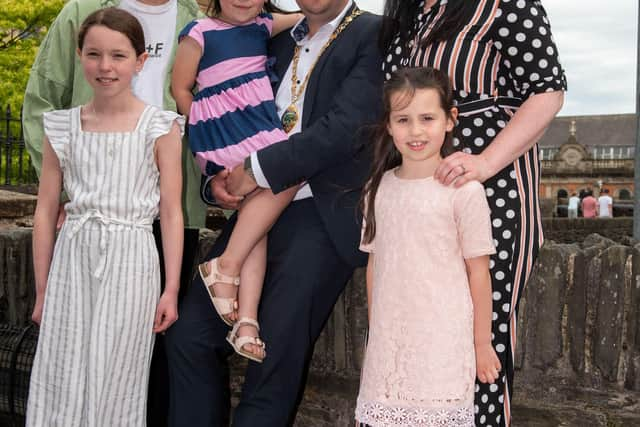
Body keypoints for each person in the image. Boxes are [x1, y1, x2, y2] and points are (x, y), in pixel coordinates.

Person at [164, 0, 383, 425]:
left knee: (274, 358)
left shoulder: (374, 33)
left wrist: (257, 170)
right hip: (253, 211)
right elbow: (217, 106)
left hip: (319, 214)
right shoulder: (271, 33)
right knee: (189, 337)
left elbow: (344, 128)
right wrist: (218, 181)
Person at [379, 1, 566, 426]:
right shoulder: (408, 15)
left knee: (479, 338)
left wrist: (485, 163)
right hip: (419, 200)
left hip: (488, 191)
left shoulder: (505, 5)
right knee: (415, 334)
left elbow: (548, 91)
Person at [26, 8, 184, 426]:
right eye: (94, 54)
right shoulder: (60, 127)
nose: (105, 66)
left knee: (118, 379)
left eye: (118, 55)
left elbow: (170, 211)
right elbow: (45, 211)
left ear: (140, 60)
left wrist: (170, 289)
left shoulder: (161, 127)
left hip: (132, 261)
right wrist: (42, 291)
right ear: (79, 55)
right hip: (72, 261)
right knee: (61, 376)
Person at [355, 67, 500, 427]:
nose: (415, 131)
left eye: (427, 118)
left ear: (450, 120)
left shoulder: (465, 192)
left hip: (443, 342)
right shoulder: (378, 188)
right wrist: (378, 332)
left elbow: (478, 272)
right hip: (390, 347)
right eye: (403, 119)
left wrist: (482, 343)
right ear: (388, 125)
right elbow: (375, 264)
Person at [171, 0, 302, 362]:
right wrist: (202, 131)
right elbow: (181, 88)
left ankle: (246, 322)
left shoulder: (263, 25)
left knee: (253, 228)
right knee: (288, 169)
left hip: (256, 124)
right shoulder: (199, 33)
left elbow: (312, 13)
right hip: (223, 130)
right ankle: (225, 267)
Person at [22, 0, 205, 228]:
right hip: (88, 206)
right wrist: (62, 190)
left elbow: (218, 111)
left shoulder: (199, 23)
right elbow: (40, 103)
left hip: (172, 211)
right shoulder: (82, 11)